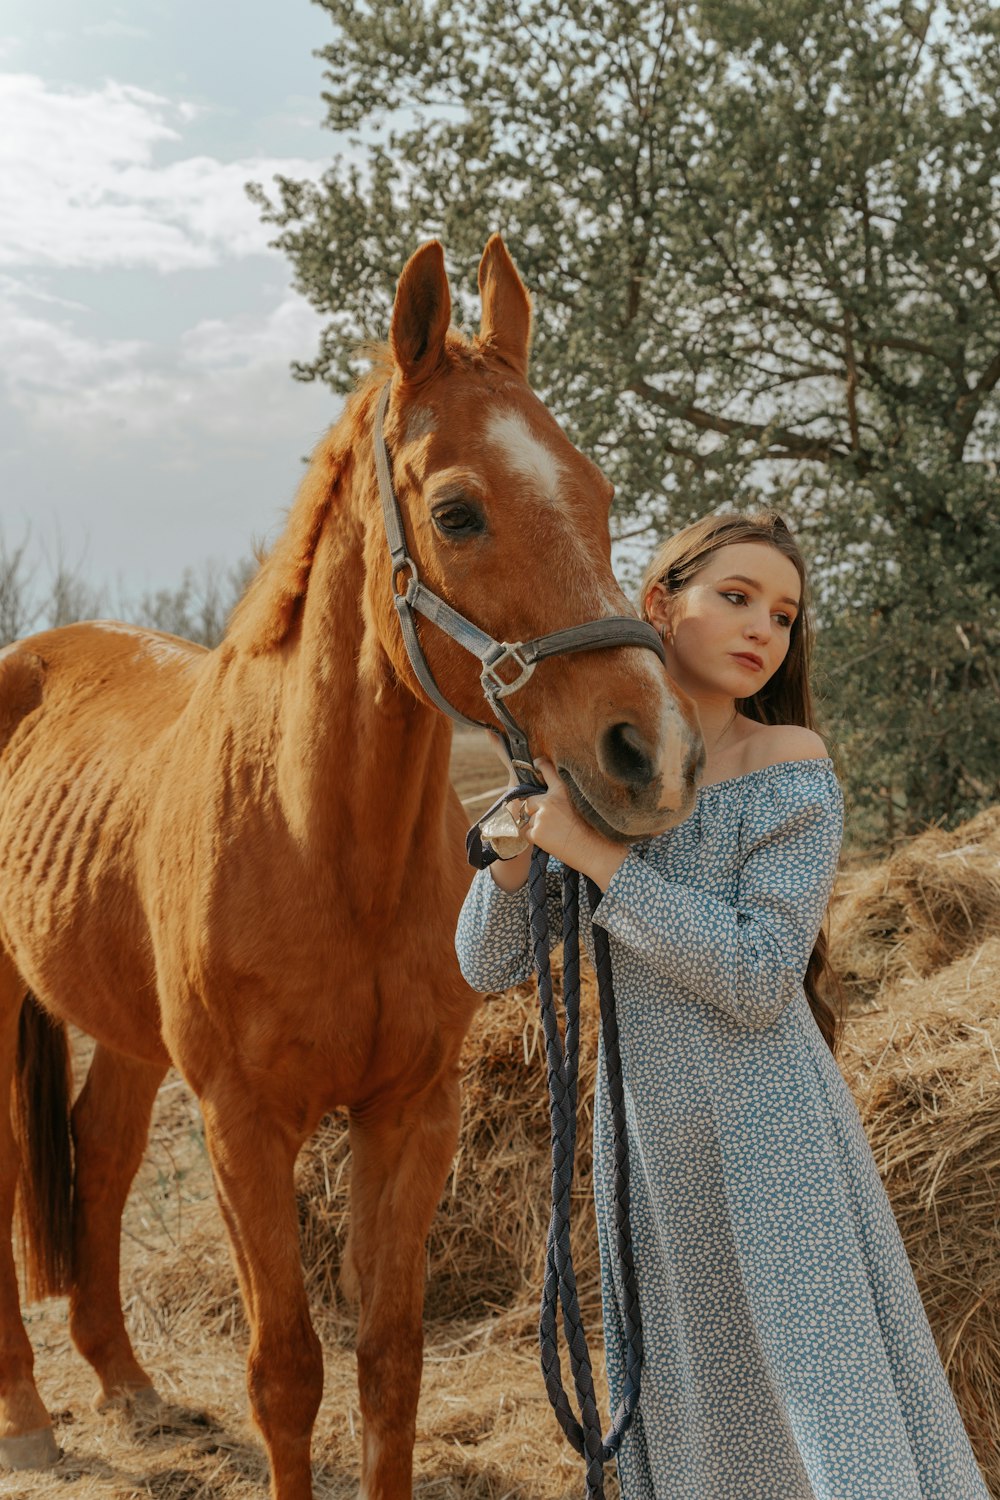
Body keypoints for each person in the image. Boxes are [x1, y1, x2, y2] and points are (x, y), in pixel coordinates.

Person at [455, 511, 988, 1500]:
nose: (762, 631)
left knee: (826, 1412)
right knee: (701, 1417)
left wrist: (600, 858)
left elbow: (755, 977)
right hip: (652, 1153)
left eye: (781, 615)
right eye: (734, 597)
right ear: (659, 604)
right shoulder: (594, 770)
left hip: (769, 1132)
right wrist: (521, 849)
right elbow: (488, 966)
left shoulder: (786, 765)